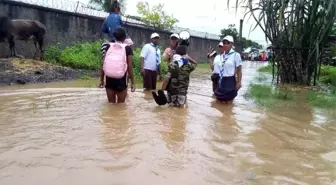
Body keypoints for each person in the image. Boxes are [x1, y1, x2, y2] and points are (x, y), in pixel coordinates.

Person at [98, 27, 136, 103]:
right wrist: (132, 82)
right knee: (121, 106)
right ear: (124, 37)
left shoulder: (108, 46)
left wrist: (101, 80)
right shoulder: (127, 48)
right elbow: (130, 67)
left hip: (109, 79)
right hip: (121, 80)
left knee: (111, 104)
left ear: (114, 36)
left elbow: (103, 64)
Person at [213, 35, 242, 104]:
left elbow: (239, 70)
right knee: (219, 100)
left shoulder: (236, 55)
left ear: (232, 44)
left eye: (228, 43)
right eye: (224, 43)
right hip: (221, 80)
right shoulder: (222, 56)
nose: (225, 45)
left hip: (230, 81)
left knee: (228, 101)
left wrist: (239, 82)